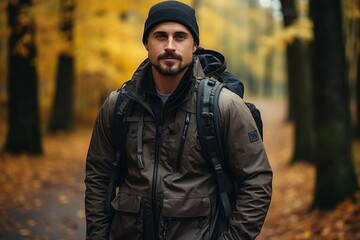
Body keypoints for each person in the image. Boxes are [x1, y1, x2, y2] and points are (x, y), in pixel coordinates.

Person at [84, 1, 272, 239]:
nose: (170, 46)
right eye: (160, 36)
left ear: (194, 45)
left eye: (180, 37)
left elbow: (256, 179)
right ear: (146, 43)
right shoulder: (118, 105)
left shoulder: (224, 106)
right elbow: (98, 177)